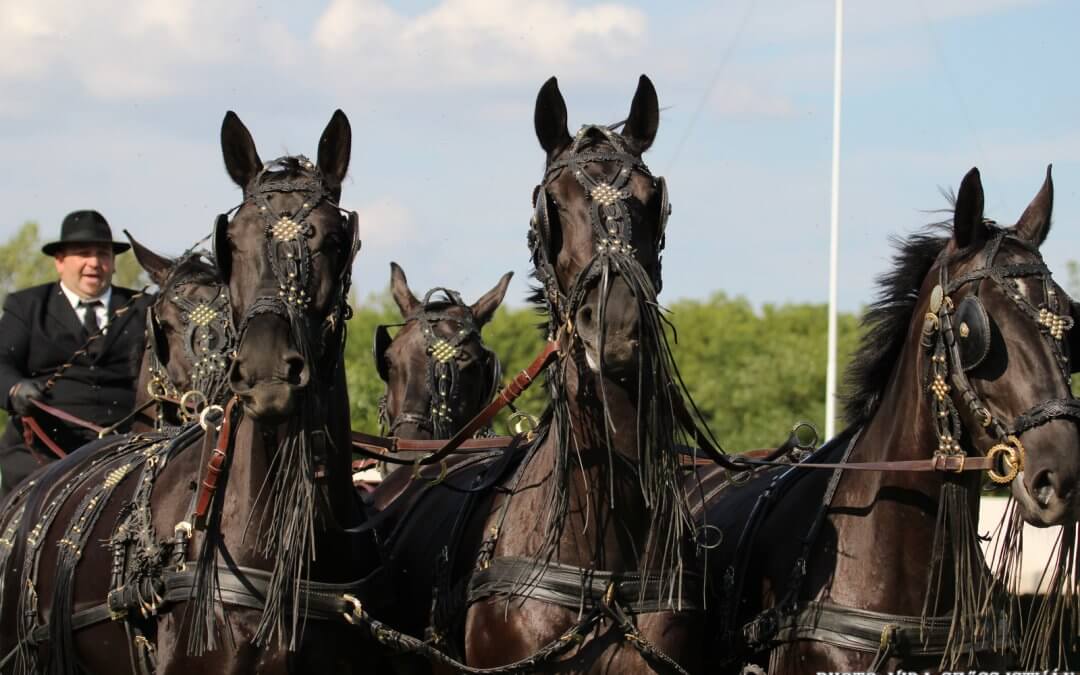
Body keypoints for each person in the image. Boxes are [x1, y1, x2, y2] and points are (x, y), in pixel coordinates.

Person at [0, 210, 151, 498]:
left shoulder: (143, 307)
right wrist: (15, 390)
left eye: (103, 254)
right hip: (40, 452)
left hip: (127, 448)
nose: (94, 263)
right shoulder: (27, 306)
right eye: (83, 253)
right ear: (60, 262)